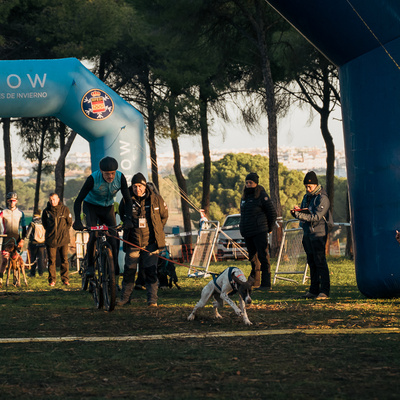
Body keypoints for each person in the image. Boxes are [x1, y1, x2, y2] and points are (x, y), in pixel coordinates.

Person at [72, 156, 133, 278]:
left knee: (114, 238)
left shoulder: (120, 177)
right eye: (107, 174)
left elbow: (127, 199)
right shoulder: (93, 179)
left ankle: (113, 269)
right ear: (101, 171)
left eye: (112, 173)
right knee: (94, 235)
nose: (110, 176)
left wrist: (128, 218)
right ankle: (90, 266)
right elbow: (78, 200)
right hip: (91, 207)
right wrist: (77, 220)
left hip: (107, 207)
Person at [118, 172, 168, 307]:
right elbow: (122, 214)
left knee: (151, 271)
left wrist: (158, 229)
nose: (137, 189)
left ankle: (152, 300)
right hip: (133, 242)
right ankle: (125, 298)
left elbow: (164, 216)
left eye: (140, 186)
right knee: (129, 271)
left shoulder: (156, 199)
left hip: (151, 243)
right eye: (135, 186)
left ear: (145, 186)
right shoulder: (126, 199)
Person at [291, 171, 331, 299]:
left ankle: (324, 291)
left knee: (320, 262)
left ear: (316, 185)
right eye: (306, 187)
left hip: (318, 233)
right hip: (307, 233)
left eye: (310, 186)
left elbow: (317, 217)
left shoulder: (322, 198)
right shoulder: (306, 197)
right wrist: (298, 211)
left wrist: (298, 215)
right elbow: (306, 212)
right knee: (311, 262)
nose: (308, 189)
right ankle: (313, 290)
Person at [239, 172, 277, 290]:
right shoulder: (244, 197)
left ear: (256, 183)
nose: (248, 185)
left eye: (250, 182)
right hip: (248, 232)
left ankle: (266, 283)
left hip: (260, 230)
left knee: (263, 256)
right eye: (247, 183)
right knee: (252, 257)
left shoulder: (262, 196)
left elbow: (272, 213)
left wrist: (269, 228)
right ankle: (255, 281)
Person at [42, 193, 72, 286]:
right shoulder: (46, 211)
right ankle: (52, 280)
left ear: (58, 199)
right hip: (51, 240)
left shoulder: (65, 209)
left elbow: (69, 223)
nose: (52, 201)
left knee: (64, 260)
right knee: (51, 261)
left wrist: (63, 232)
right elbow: (45, 224)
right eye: (51, 200)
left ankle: (65, 279)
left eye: (54, 199)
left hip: (63, 239)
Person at [0, 192, 27, 286]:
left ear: (16, 201)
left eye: (14, 200)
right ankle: (0, 280)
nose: (12, 202)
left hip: (16, 239)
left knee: (15, 260)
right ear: (8, 201)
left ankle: (15, 279)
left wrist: (22, 240)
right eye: (10, 200)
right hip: (5, 239)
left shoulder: (20, 213)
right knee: (4, 261)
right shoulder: (3, 212)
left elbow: (24, 227)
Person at [25, 209, 47, 277]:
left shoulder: (32, 223)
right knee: (41, 258)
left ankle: (32, 273)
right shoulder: (43, 223)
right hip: (42, 243)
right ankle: (41, 273)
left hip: (33, 243)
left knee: (33, 258)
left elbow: (27, 235)